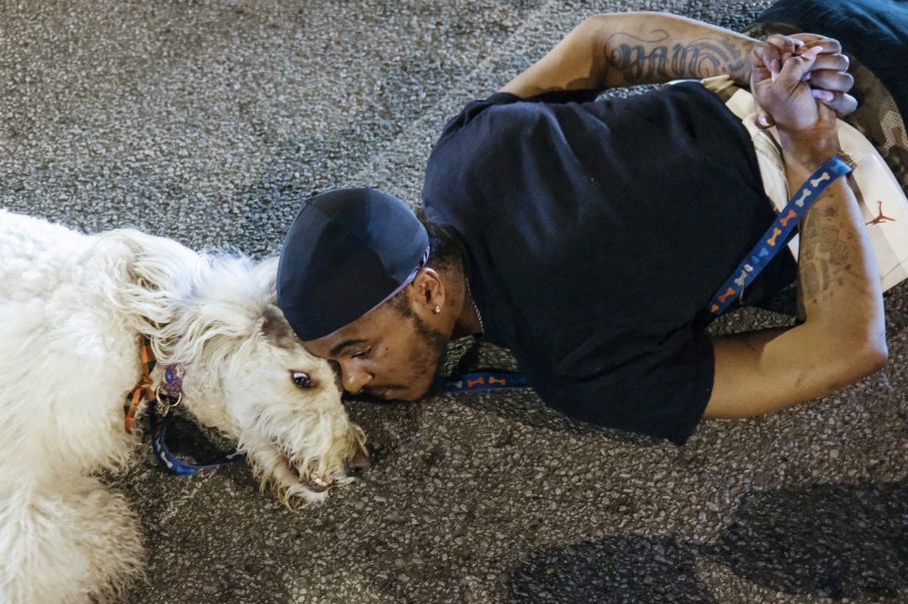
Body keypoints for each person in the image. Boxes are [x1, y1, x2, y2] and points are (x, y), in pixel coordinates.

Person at [275, 0, 905, 444]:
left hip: (886, 163)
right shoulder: (460, 155)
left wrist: (810, 145)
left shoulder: (573, 364)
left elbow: (846, 347)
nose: (354, 383)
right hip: (825, 31)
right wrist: (760, 64)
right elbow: (600, 41)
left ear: (429, 290)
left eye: (358, 352)